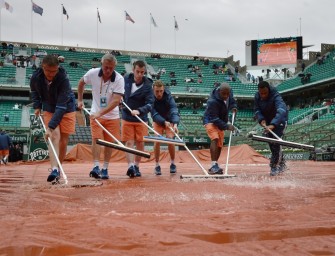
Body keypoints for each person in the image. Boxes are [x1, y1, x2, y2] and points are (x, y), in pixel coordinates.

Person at [77, 53, 124, 180]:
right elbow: (81, 83)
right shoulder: (92, 73)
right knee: (96, 139)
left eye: (111, 68)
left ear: (114, 67)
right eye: (106, 67)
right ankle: (96, 166)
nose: (108, 70)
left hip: (112, 116)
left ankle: (105, 168)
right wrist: (80, 100)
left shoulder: (119, 79)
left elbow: (115, 101)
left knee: (109, 143)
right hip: (95, 113)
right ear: (101, 65)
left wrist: (100, 113)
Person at [30, 54, 76, 183]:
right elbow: (34, 91)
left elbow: (61, 107)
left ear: (58, 68)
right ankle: (54, 169)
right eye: (48, 71)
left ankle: (59, 169)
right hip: (49, 106)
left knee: (63, 141)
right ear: (42, 67)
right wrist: (37, 105)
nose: (51, 74)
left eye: (54, 71)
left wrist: (49, 127)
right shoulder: (35, 77)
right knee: (54, 136)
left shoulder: (64, 79)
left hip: (66, 107)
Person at [122, 60, 154, 178]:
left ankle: (136, 165)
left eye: (142, 72)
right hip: (127, 116)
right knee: (129, 142)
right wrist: (120, 100)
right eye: (138, 72)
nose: (140, 74)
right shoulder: (126, 79)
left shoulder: (148, 85)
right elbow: (119, 92)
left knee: (140, 142)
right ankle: (130, 166)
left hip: (141, 118)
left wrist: (139, 110)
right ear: (133, 70)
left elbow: (150, 104)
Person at [254, 81, 288, 176]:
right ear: (259, 91)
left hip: (279, 121)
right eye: (261, 93)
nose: (263, 95)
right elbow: (257, 110)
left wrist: (273, 124)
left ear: (268, 89)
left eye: (265, 93)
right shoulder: (257, 97)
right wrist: (261, 120)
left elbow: (282, 110)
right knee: (271, 144)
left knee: (276, 143)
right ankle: (282, 163)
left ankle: (274, 166)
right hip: (267, 122)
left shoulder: (276, 96)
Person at [203, 83, 237, 174]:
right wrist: (227, 126)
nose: (226, 96)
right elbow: (214, 118)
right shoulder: (212, 101)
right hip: (210, 120)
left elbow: (232, 101)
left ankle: (214, 166)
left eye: (227, 94)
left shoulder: (230, 93)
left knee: (219, 144)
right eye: (223, 94)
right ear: (219, 92)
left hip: (221, 120)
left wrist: (234, 107)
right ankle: (214, 164)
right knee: (215, 138)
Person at [151, 80, 180, 175]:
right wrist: (163, 122)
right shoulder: (150, 98)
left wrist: (175, 123)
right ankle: (157, 165)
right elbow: (153, 114)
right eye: (157, 91)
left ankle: (172, 163)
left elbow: (174, 109)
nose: (159, 94)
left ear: (163, 89)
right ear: (153, 90)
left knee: (170, 140)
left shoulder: (168, 96)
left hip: (169, 120)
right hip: (158, 121)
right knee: (157, 140)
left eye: (161, 91)